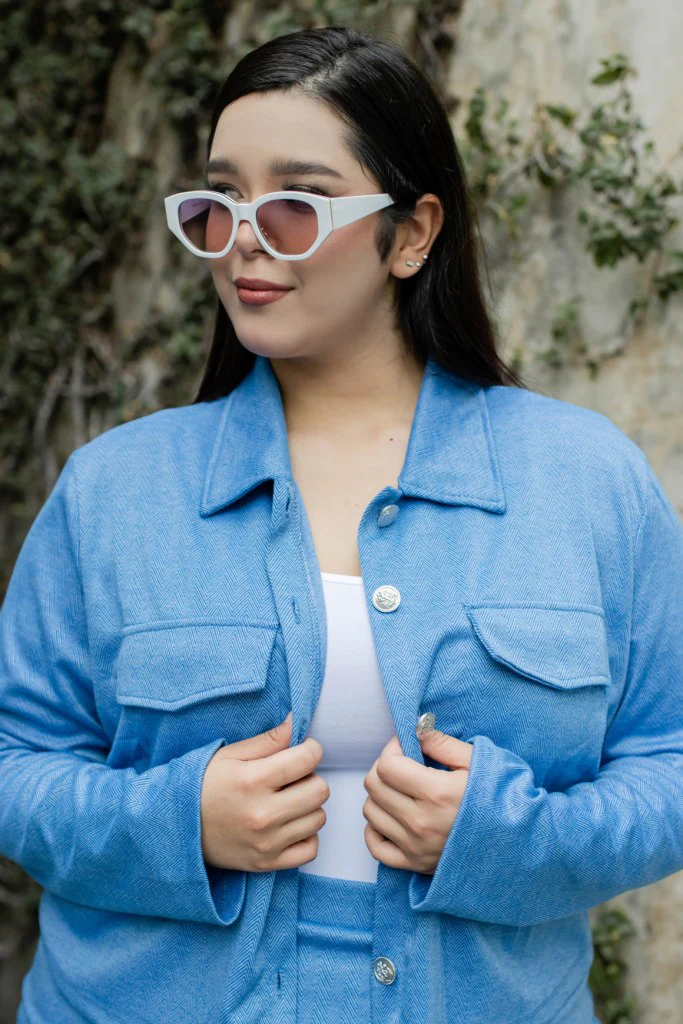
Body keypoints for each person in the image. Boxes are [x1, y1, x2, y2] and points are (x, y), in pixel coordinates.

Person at [1, 24, 682, 1024]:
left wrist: (512, 841)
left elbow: (667, 759)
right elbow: (16, 759)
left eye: (294, 204)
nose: (242, 239)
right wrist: (176, 821)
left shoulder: (586, 481)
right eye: (220, 200)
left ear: (411, 234)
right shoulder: (114, 490)